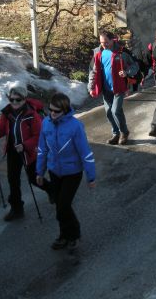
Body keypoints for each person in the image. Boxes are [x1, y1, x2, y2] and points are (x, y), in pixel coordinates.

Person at [36, 93, 96, 251]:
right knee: (59, 205)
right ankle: (63, 236)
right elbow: (42, 149)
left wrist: (91, 176)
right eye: (50, 110)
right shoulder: (46, 123)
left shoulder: (75, 126)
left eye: (56, 111)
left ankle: (74, 234)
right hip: (54, 170)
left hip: (72, 172)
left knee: (63, 206)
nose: (52, 114)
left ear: (65, 110)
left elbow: (85, 152)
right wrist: (39, 172)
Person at [0, 85, 51, 221]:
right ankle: (16, 209)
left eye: (18, 100)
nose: (14, 102)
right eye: (11, 99)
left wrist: (25, 145)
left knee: (34, 178)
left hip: (28, 152)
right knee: (12, 180)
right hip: (13, 151)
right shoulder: (7, 113)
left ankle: (53, 191)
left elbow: (38, 135)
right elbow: (1, 129)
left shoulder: (31, 114)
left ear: (24, 99)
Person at [88, 31, 138, 145]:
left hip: (119, 88)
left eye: (106, 42)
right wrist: (91, 87)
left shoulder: (122, 52)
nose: (103, 44)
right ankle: (116, 133)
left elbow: (135, 66)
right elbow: (93, 71)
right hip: (106, 89)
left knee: (116, 110)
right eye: (101, 42)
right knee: (109, 112)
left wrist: (127, 72)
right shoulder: (98, 52)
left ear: (112, 40)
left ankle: (124, 132)